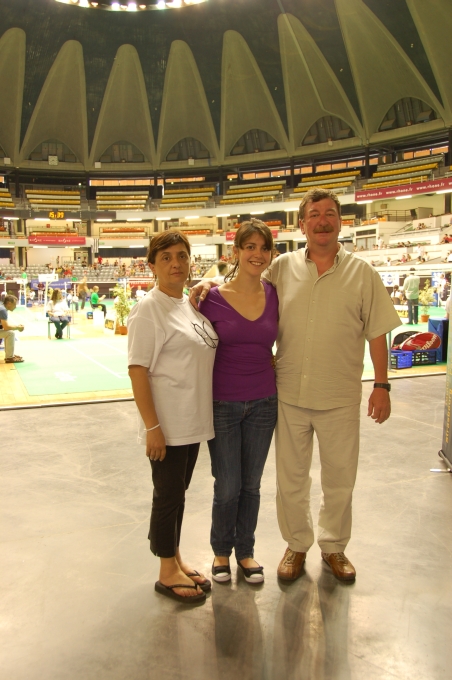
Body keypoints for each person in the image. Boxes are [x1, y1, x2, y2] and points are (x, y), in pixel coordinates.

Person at [192, 188, 400, 583]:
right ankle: (297, 545)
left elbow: (377, 332)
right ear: (302, 224)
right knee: (291, 480)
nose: (322, 221)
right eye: (314, 214)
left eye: (330, 213)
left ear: (340, 221)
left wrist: (382, 384)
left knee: (340, 479)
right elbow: (244, 279)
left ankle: (334, 546)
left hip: (339, 395)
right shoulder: (282, 267)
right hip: (288, 394)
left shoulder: (363, 274)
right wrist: (209, 281)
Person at [127, 230, 217, 605]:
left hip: (191, 422)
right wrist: (153, 428)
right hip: (168, 425)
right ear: (152, 266)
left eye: (182, 256)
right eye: (166, 258)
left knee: (177, 495)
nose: (176, 263)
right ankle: (166, 572)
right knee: (167, 497)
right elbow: (137, 370)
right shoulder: (149, 309)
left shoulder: (186, 303)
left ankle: (175, 557)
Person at [199, 220, 278, 585]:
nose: (257, 254)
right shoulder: (211, 297)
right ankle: (220, 551)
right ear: (236, 252)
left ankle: (245, 551)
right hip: (222, 403)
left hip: (264, 401)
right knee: (227, 484)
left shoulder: (275, 293)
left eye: (264, 248)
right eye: (250, 247)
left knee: (252, 484)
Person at [0, 294, 25, 363]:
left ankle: (10, 355)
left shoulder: (2, 307)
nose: (15, 307)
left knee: (9, 332)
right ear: (9, 303)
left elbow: (4, 326)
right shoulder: (3, 310)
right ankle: (9, 357)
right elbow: (6, 327)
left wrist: (16, 327)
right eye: (14, 304)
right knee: (10, 333)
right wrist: (18, 327)